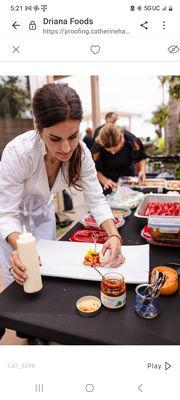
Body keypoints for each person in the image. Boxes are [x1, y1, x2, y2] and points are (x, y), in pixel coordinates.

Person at [0, 83, 124, 289]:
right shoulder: (18, 152)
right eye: (55, 139)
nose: (66, 148)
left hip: (43, 216)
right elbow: (6, 214)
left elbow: (96, 199)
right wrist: (19, 247)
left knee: (48, 276)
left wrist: (113, 234)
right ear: (38, 128)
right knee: (21, 283)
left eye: (73, 136)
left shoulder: (82, 153)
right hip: (12, 225)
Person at [91, 123, 147, 194]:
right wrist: (104, 180)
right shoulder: (97, 147)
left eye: (116, 150)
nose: (113, 153)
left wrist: (142, 170)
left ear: (122, 138)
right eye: (109, 151)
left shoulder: (131, 140)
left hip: (128, 179)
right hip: (107, 181)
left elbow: (141, 156)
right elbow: (93, 168)